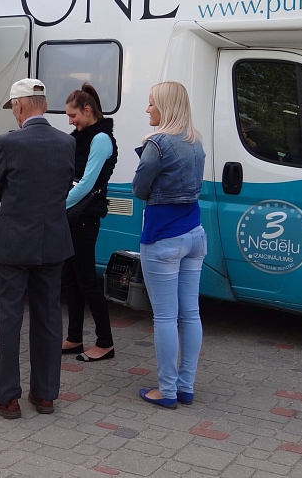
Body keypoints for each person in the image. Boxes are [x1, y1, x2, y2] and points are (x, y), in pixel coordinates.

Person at [0, 78, 76, 419]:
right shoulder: (67, 142)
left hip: (14, 242)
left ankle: (8, 397)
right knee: (49, 317)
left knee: (10, 319)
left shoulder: (8, 142)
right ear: (44, 105)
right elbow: (65, 186)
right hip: (52, 242)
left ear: (18, 105)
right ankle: (45, 394)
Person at [132, 81, 206, 409]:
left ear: (165, 106)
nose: (147, 108)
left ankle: (166, 390)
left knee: (164, 317)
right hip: (195, 234)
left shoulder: (157, 143)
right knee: (190, 313)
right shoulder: (196, 142)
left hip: (163, 236)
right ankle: (185, 386)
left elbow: (139, 189)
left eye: (152, 103)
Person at [61, 84, 117, 362]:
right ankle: (74, 337)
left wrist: (58, 206)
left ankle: (105, 342)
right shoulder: (83, 136)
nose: (71, 121)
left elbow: (86, 184)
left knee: (86, 281)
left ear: (87, 110)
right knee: (71, 279)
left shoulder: (101, 139)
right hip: (75, 215)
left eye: (73, 116)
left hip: (85, 217)